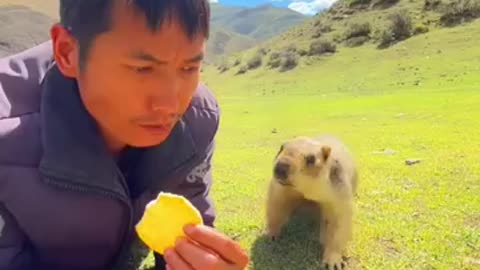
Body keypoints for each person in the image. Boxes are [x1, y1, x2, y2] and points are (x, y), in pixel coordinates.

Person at [0, 0, 249, 269]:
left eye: (188, 68)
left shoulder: (197, 118)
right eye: (142, 69)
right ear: (67, 52)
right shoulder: (7, 133)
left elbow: (183, 236)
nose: (170, 105)